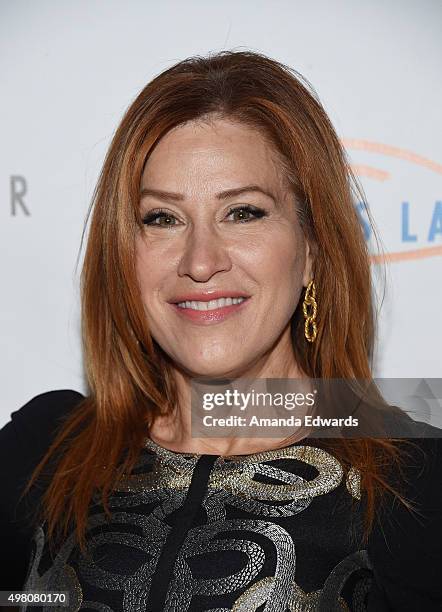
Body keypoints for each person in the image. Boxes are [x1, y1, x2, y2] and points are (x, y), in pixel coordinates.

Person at [1, 50, 441, 612]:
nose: (201, 261)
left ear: (312, 250)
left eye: (244, 212)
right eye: (162, 218)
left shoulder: (414, 488)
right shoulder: (45, 449)